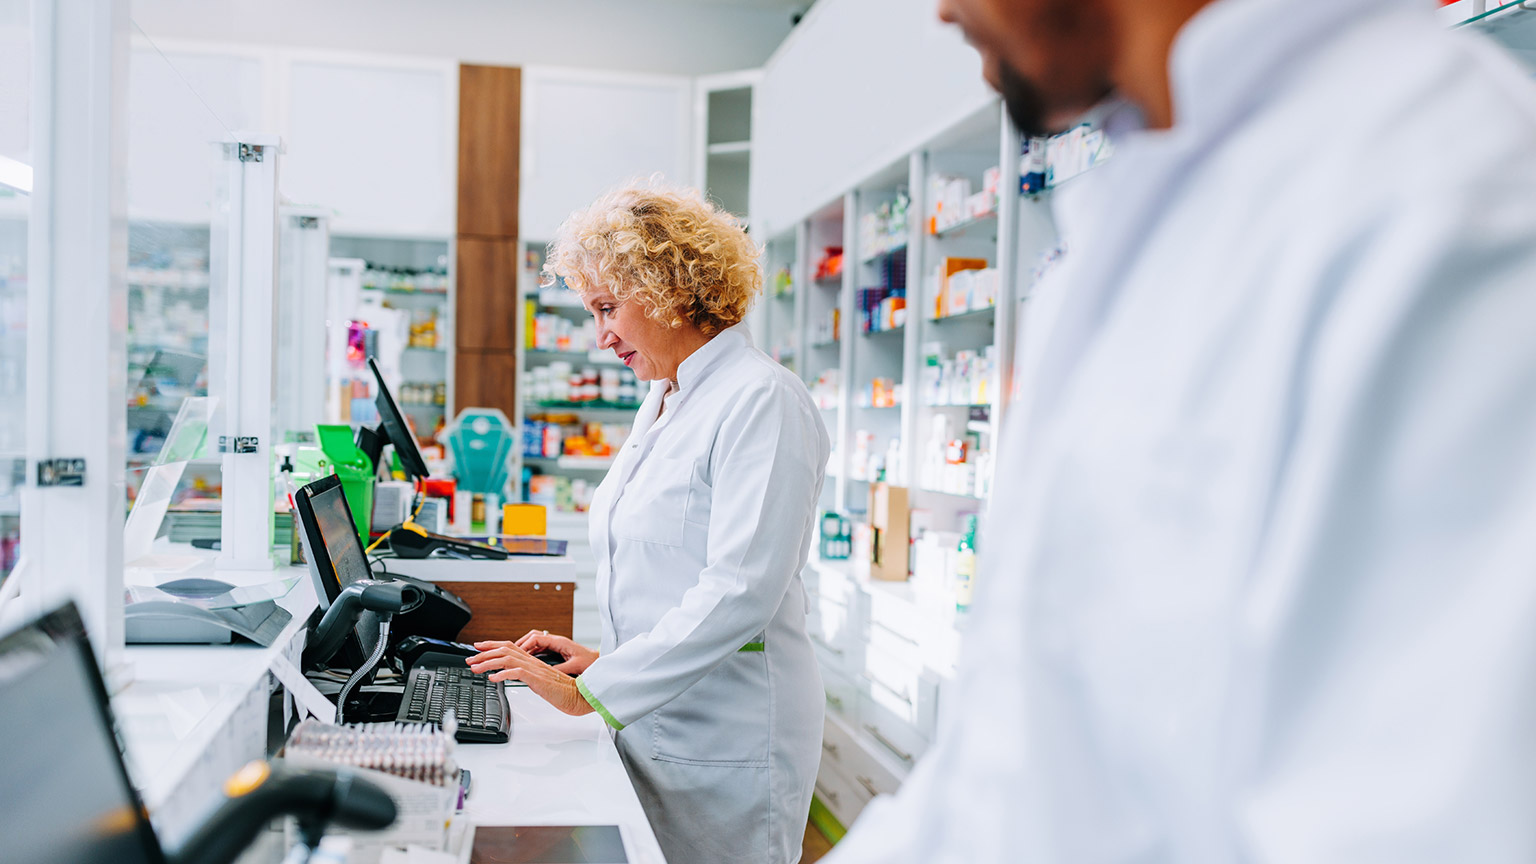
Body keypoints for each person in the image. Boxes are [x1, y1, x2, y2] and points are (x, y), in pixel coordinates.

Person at [827, 0, 1536, 861]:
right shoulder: (1130, 229)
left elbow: (1411, 827)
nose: (940, 9)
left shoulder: (1444, 205)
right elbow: (1016, 761)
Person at [465, 181, 830, 864]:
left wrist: (594, 692)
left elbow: (739, 588)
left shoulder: (762, 400)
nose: (600, 336)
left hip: (728, 737)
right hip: (656, 714)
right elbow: (666, 570)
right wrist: (605, 665)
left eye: (608, 308)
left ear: (668, 287)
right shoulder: (666, 398)